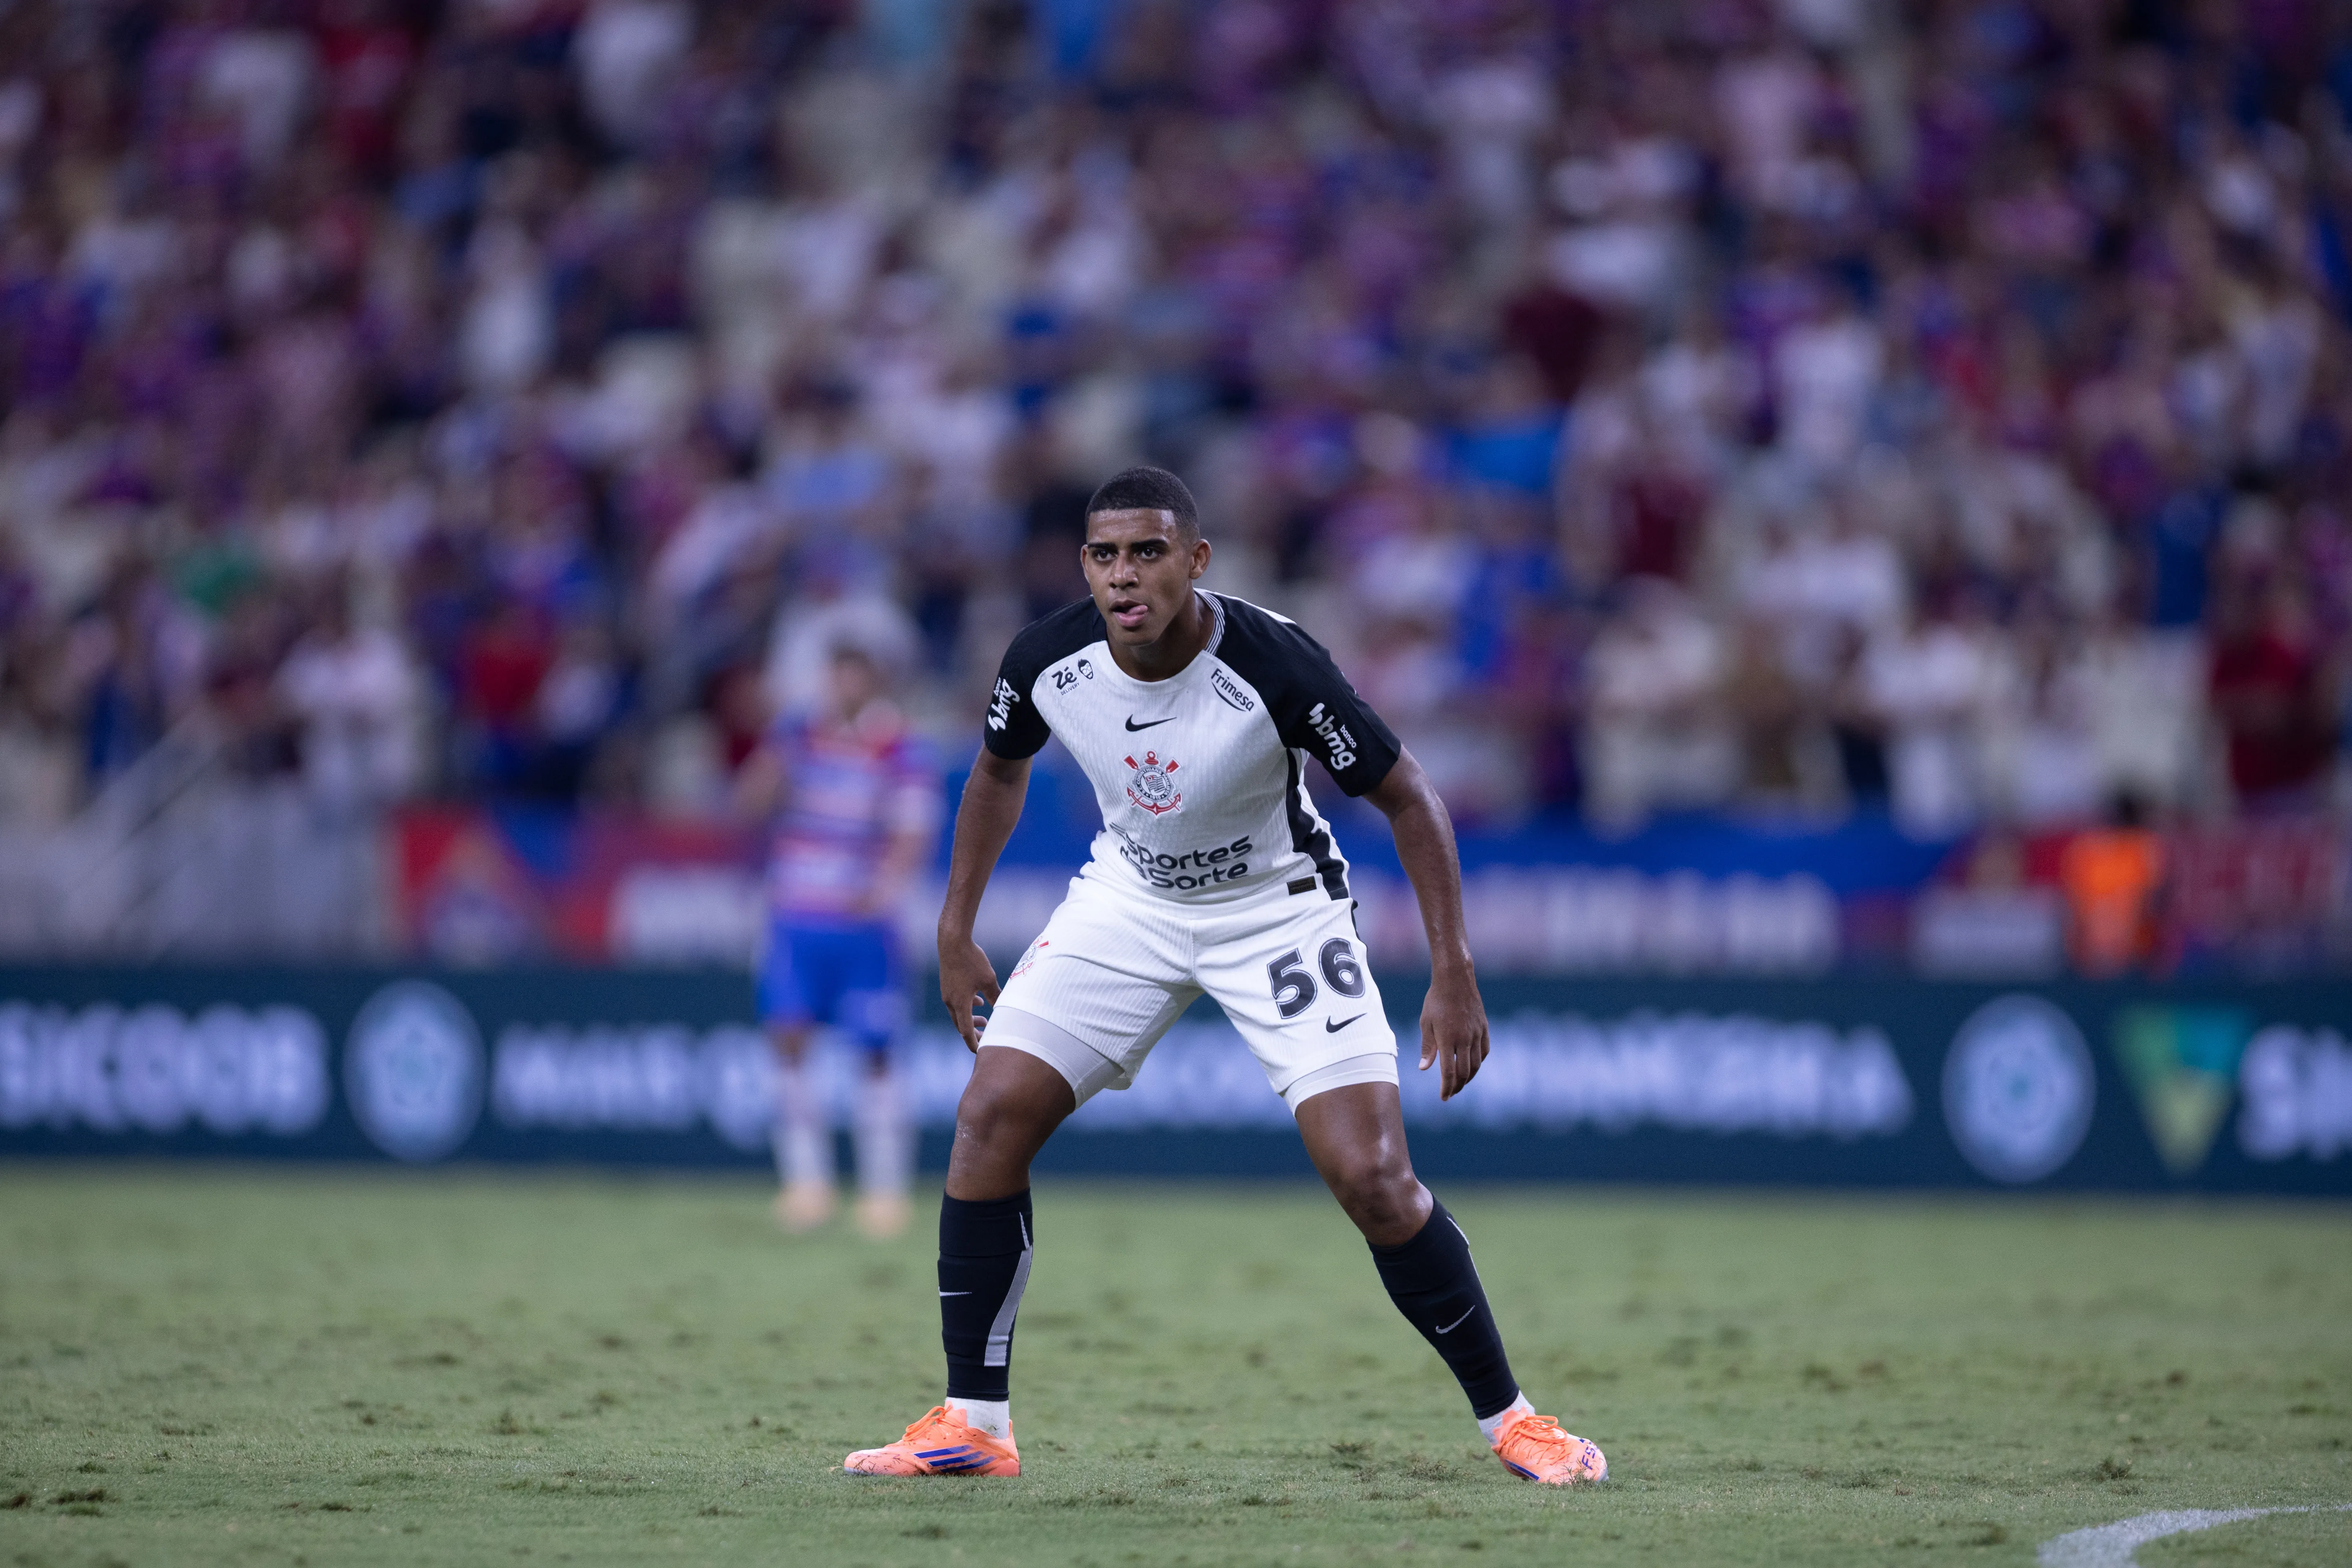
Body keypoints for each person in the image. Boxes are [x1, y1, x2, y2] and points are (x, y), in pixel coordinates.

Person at [841, 467, 1606, 1485]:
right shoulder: (1045, 658)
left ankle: (1517, 1421)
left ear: (1195, 561)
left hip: (1276, 909)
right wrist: (954, 926)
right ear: (1084, 564)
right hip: (1134, 899)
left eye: (1148, 552)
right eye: (1105, 554)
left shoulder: (1273, 660)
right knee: (989, 1117)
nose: (1125, 575)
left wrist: (1452, 969)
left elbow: (1410, 796)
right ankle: (973, 1423)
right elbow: (996, 770)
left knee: (1374, 1177)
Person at [735, 642, 941, 1238]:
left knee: (876, 1050)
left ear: (874, 682)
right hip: (796, 916)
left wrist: (884, 889)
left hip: (863, 924)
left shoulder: (900, 746)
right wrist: (771, 750)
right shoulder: (797, 734)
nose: (844, 689)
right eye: (836, 677)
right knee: (789, 1042)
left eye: (855, 678)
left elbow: (914, 831)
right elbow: (749, 802)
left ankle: (884, 1193)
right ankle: (807, 1186)